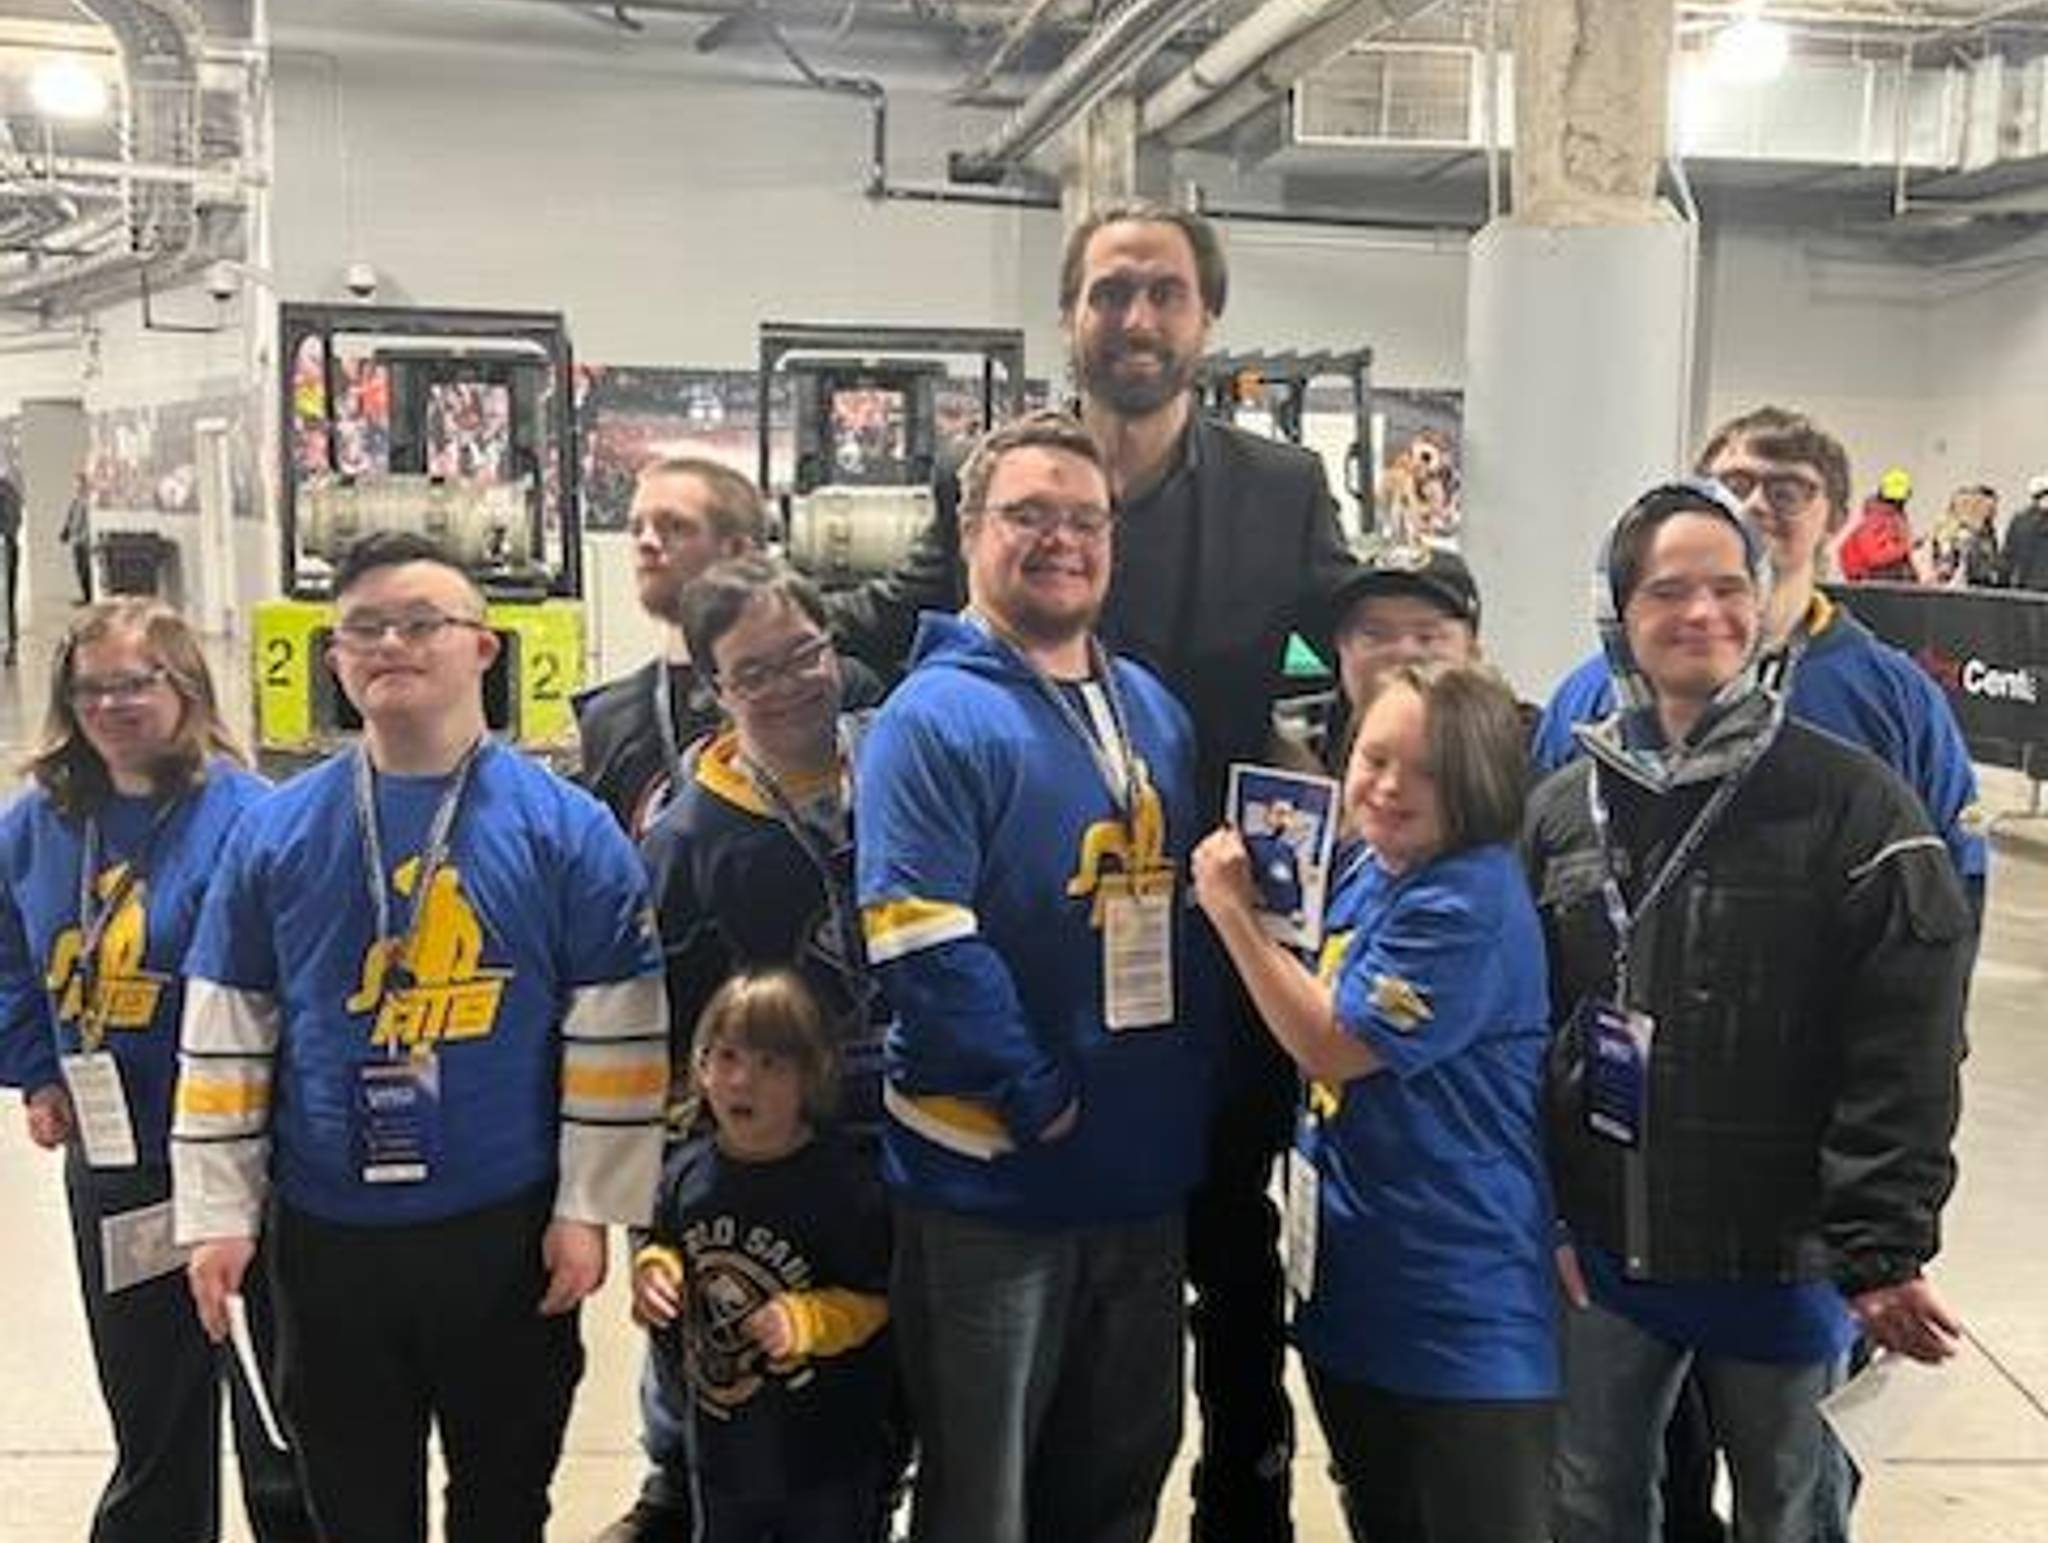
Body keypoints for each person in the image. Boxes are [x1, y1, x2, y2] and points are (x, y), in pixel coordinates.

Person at [835, 200, 1354, 1543]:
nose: (1137, 317)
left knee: (1218, 1302)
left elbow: (1366, 642)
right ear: (1069, 317)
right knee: (990, 1457)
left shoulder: (1277, 495)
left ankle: (1250, 1507)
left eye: (1165, 293)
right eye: (1110, 291)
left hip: (1209, 964)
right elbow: (864, 630)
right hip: (1024, 1083)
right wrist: (735, 680)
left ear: (1205, 321)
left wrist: (1441, 752)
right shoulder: (973, 586)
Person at [170, 531, 670, 1543]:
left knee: (502, 1498)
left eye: (420, 623)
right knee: (352, 1505)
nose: (391, 644)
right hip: (327, 1237)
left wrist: (589, 1208)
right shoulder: (273, 831)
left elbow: (615, 1031)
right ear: (336, 656)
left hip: (505, 1229)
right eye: (363, 628)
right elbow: (228, 1030)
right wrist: (218, 1210)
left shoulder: (565, 829)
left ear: (485, 648)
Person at [1526, 480, 1972, 1543]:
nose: (1701, 614)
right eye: (1666, 589)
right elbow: (1525, 1032)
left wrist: (1879, 1244)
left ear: (1762, 599)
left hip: (1782, 1258)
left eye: (1728, 587)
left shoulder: (1856, 806)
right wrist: (1539, 1214)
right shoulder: (1559, 809)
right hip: (1606, 1252)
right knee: (1592, 1502)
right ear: (1617, 612)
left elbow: (1902, 1050)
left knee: (1788, 1509)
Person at [856, 411, 1213, 1543]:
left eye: (1083, 517)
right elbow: (924, 945)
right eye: (1027, 514)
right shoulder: (931, 716)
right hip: (996, 1183)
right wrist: (1036, 1094)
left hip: (1139, 1178)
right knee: (983, 1498)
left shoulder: (1151, 707)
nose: (1059, 539)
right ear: (969, 531)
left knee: (1117, 1479)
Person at [1192, 661, 1556, 1543]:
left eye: (1425, 770)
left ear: (1477, 780)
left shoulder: (1463, 900)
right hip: (1359, 1298)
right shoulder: (1374, 870)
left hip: (1456, 1319)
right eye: (1374, 758)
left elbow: (1328, 1043)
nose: (1388, 787)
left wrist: (1232, 913)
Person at [0, 602, 314, 1543]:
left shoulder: (251, 815)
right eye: (90, 687)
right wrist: (35, 1068)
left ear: (185, 687)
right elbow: (8, 952)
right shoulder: (38, 823)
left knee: (274, 1411)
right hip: (115, 1154)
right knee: (150, 1403)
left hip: (243, 1158)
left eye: (136, 682)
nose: (111, 704)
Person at [605, 555, 889, 1543]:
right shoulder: (687, 839)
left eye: (803, 653)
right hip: (762, 1160)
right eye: (753, 672)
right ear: (712, 689)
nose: (788, 684)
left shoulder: (894, 768)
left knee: (870, 1375)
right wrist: (656, 1215)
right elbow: (664, 1034)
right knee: (744, 1390)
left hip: (893, 1134)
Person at [1532, 406, 1986, 916]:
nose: (1755, 504)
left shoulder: (1897, 700)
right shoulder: (1594, 695)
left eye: (1788, 490)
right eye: (1734, 483)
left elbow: (1950, 891)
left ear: (1835, 517)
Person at [631, 970, 892, 1543]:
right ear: (700, 1070)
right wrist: (655, 1272)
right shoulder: (687, 1174)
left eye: (771, 1064)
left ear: (812, 1076)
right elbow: (666, 1242)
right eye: (725, 1058)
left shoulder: (842, 1187)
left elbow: (877, 1302)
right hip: (721, 1449)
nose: (743, 1080)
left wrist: (809, 1320)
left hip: (824, 1457)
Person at [574, 457, 766, 837]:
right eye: (637, 528)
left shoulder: (814, 686)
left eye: (675, 526)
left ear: (739, 550)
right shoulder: (611, 719)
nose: (647, 542)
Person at [1322, 543, 1485, 775]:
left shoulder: (1523, 758)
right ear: (1341, 650)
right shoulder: (1308, 757)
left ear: (1473, 653)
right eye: (1375, 634)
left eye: (1427, 637)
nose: (1404, 652)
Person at [1837, 465, 1922, 583]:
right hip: (1874, 586)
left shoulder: (1889, 519)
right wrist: (1905, 547)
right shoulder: (1878, 521)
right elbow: (1874, 557)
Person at [2003, 474, 2048, 593]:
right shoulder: (2023, 521)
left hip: (2024, 587)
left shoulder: (2019, 520)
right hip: (2033, 587)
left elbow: (2007, 556)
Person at [61, 470, 93, 604]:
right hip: (75, 540)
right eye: (75, 485)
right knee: (79, 569)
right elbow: (70, 518)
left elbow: (88, 521)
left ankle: (90, 597)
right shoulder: (75, 501)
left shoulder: (89, 501)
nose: (77, 487)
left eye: (80, 484)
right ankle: (85, 596)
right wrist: (65, 531)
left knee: (86, 569)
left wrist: (86, 538)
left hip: (84, 540)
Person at [0, 468, 21, 664]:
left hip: (4, 551)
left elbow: (11, 523)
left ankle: (10, 647)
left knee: (5, 600)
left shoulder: (6, 489)